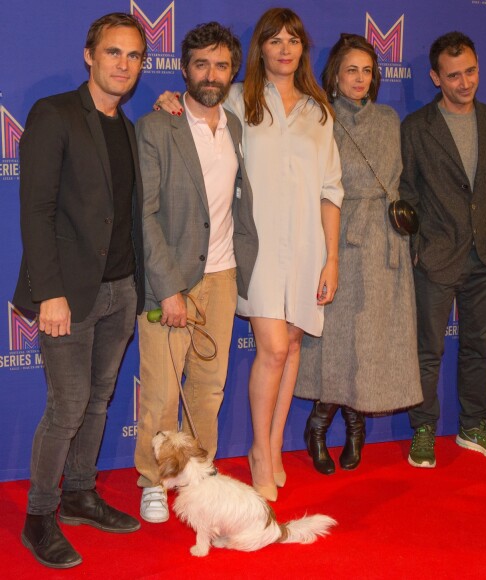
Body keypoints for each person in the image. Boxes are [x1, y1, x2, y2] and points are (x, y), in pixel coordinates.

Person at [155, 8, 343, 501]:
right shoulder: (238, 98)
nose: (284, 48)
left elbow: (331, 189)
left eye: (293, 40)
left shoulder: (319, 110)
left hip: (307, 247)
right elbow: (198, 110)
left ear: (304, 49)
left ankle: (275, 447)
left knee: (295, 346)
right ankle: (260, 450)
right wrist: (169, 99)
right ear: (259, 48)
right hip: (253, 248)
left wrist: (332, 259)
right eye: (274, 39)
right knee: (274, 348)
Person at [13, 13, 147, 569]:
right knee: (67, 406)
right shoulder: (55, 114)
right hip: (67, 294)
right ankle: (38, 516)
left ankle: (79, 495)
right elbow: (37, 209)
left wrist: (137, 287)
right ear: (90, 55)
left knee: (97, 400)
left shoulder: (126, 125)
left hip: (120, 291)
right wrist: (50, 292)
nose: (124, 65)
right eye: (113, 53)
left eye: (135, 56)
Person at [134, 22, 258, 524]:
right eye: (201, 64)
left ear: (233, 72)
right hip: (173, 281)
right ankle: (152, 480)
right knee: (163, 391)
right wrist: (168, 289)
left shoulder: (234, 126)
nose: (211, 74)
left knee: (209, 386)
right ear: (184, 68)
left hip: (223, 276)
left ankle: (197, 474)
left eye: (222, 65)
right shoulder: (157, 126)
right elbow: (144, 213)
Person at [295, 34, 423, 475]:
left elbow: (398, 181)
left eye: (368, 71)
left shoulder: (389, 119)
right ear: (334, 73)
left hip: (386, 245)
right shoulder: (319, 117)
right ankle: (317, 426)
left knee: (371, 344)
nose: (361, 79)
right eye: (352, 70)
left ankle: (356, 428)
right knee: (334, 341)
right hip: (339, 238)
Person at [399, 31, 486, 468]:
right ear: (435, 78)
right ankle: (424, 430)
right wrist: (418, 247)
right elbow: (406, 195)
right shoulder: (415, 128)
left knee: (478, 348)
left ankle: (473, 427)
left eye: (470, 71)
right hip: (436, 256)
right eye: (453, 76)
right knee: (428, 351)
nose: (465, 82)